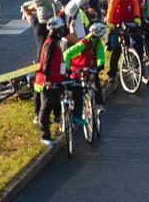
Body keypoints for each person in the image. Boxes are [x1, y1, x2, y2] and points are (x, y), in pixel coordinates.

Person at [36, 16, 74, 145]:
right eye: (62, 29)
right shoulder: (50, 44)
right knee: (46, 107)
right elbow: (46, 63)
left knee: (57, 103)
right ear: (57, 30)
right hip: (48, 81)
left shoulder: (55, 42)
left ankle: (60, 122)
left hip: (57, 79)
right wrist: (47, 80)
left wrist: (67, 72)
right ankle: (45, 136)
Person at [63, 22, 107, 116]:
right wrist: (66, 68)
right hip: (77, 71)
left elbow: (100, 55)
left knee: (95, 81)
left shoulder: (97, 43)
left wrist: (100, 65)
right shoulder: (84, 42)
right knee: (76, 92)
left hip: (88, 70)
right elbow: (67, 54)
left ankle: (99, 105)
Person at [105, 0, 142, 82]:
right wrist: (109, 23)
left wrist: (137, 17)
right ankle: (112, 73)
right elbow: (111, 9)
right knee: (116, 49)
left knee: (135, 39)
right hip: (116, 24)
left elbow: (135, 5)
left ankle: (134, 62)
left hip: (128, 21)